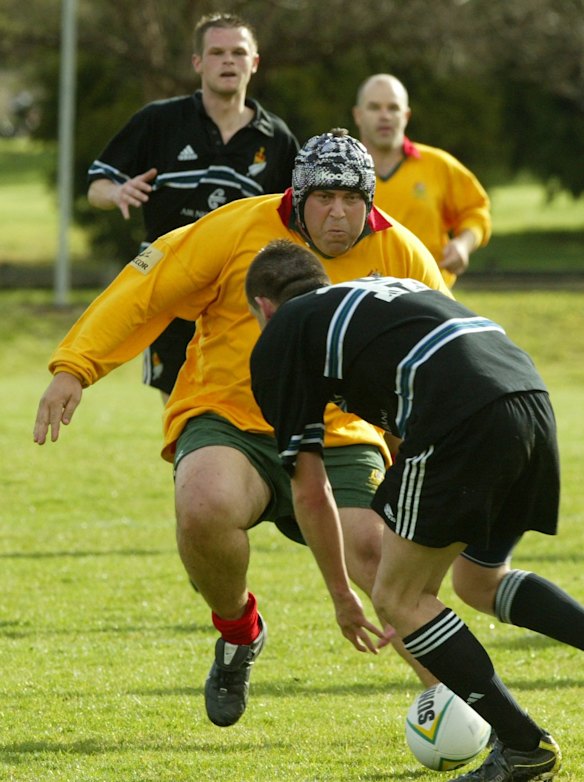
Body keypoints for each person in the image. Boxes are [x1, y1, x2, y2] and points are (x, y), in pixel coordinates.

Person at [33, 128, 452, 729]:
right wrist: (77, 367)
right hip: (232, 417)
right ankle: (238, 632)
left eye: (352, 199)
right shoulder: (234, 229)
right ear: (296, 197)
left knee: (379, 558)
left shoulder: (403, 252)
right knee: (203, 506)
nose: (339, 214)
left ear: (371, 201)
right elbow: (145, 289)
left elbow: (444, 347)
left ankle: (469, 706)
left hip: (339, 434)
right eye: (324, 198)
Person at [245, 239, 584, 781]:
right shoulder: (374, 294)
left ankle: (524, 747)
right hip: (527, 394)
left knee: (398, 597)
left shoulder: (284, 332)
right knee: (478, 579)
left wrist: (342, 596)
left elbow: (310, 491)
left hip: (462, 415)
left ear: (263, 307)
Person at [87, 12, 299, 402]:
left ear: (254, 62)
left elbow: (300, 218)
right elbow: (97, 184)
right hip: (169, 280)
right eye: (217, 52)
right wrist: (115, 193)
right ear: (198, 62)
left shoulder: (278, 138)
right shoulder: (159, 121)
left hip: (240, 290)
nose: (228, 61)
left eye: (239, 52)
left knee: (244, 400)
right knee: (177, 404)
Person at [353, 73, 491, 288]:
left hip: (429, 295)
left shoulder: (439, 165)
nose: (385, 116)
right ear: (358, 115)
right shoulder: (341, 172)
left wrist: (463, 245)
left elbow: (476, 210)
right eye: (374, 107)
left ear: (406, 115)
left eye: (393, 108)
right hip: (359, 296)